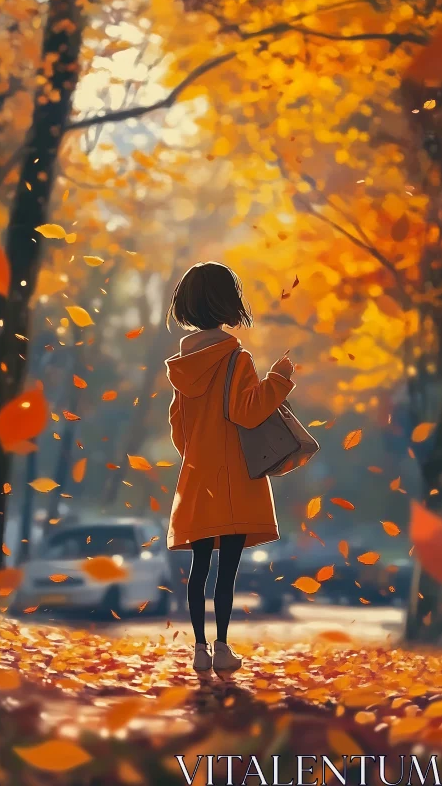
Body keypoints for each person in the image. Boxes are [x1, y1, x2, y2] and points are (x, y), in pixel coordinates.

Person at [164, 262, 295, 673]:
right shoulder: (236, 358)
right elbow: (248, 411)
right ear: (227, 303)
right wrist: (279, 378)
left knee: (198, 567)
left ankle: (198, 651)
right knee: (227, 572)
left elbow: (178, 430)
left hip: (198, 476)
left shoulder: (182, 367)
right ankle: (222, 648)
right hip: (236, 480)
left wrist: (198, 452)